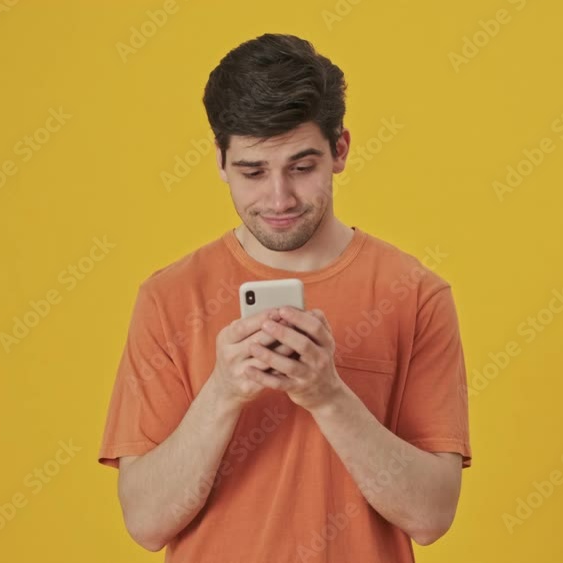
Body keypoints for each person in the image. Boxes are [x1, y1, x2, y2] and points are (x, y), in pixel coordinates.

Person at [98, 33, 471, 562]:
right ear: (221, 162)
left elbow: (432, 516)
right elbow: (146, 522)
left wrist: (327, 395)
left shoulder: (415, 295)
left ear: (339, 150)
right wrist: (224, 391)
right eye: (253, 171)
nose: (279, 198)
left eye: (301, 167)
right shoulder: (168, 298)